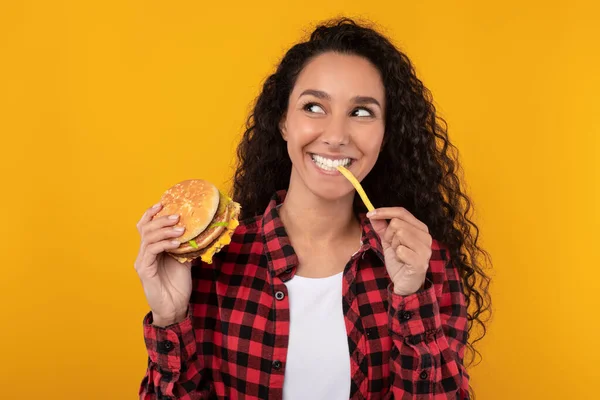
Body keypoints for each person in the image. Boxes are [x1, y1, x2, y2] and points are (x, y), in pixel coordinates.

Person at [134, 17, 492, 400]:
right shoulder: (212, 263)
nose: (336, 136)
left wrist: (412, 296)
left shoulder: (425, 265)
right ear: (284, 122)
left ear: (387, 134)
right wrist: (170, 319)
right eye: (314, 107)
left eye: (361, 113)